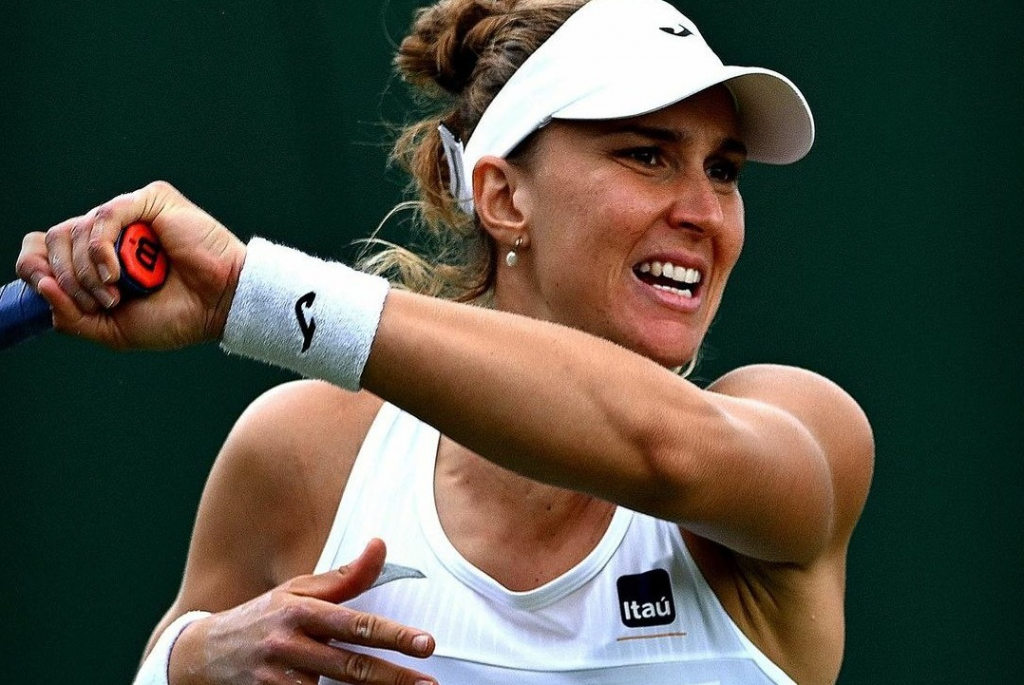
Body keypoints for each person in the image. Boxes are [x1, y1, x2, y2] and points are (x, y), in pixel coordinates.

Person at [15, 0, 874, 683]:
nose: (704, 213)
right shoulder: (302, 452)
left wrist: (251, 292)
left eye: (723, 170)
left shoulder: (805, 434)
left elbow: (662, 449)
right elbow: (171, 664)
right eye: (648, 156)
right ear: (503, 197)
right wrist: (196, 661)